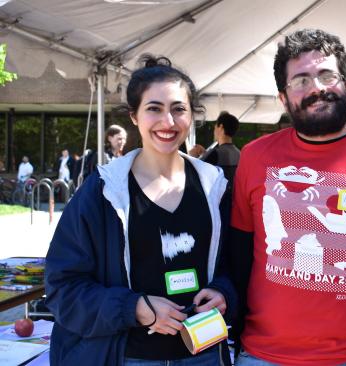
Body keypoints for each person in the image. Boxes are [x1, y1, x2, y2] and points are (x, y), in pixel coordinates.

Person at [229, 28, 346, 365]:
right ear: (283, 99)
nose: (316, 88)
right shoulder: (254, 156)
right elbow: (239, 255)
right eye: (300, 80)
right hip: (264, 355)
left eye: (327, 75)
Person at [45, 55, 234, 365]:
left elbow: (235, 267)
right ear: (134, 116)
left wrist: (224, 292)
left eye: (178, 109)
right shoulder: (103, 192)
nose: (168, 122)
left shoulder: (216, 188)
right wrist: (133, 308)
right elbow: (62, 286)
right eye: (154, 109)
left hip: (203, 355)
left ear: (192, 115)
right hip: (129, 356)